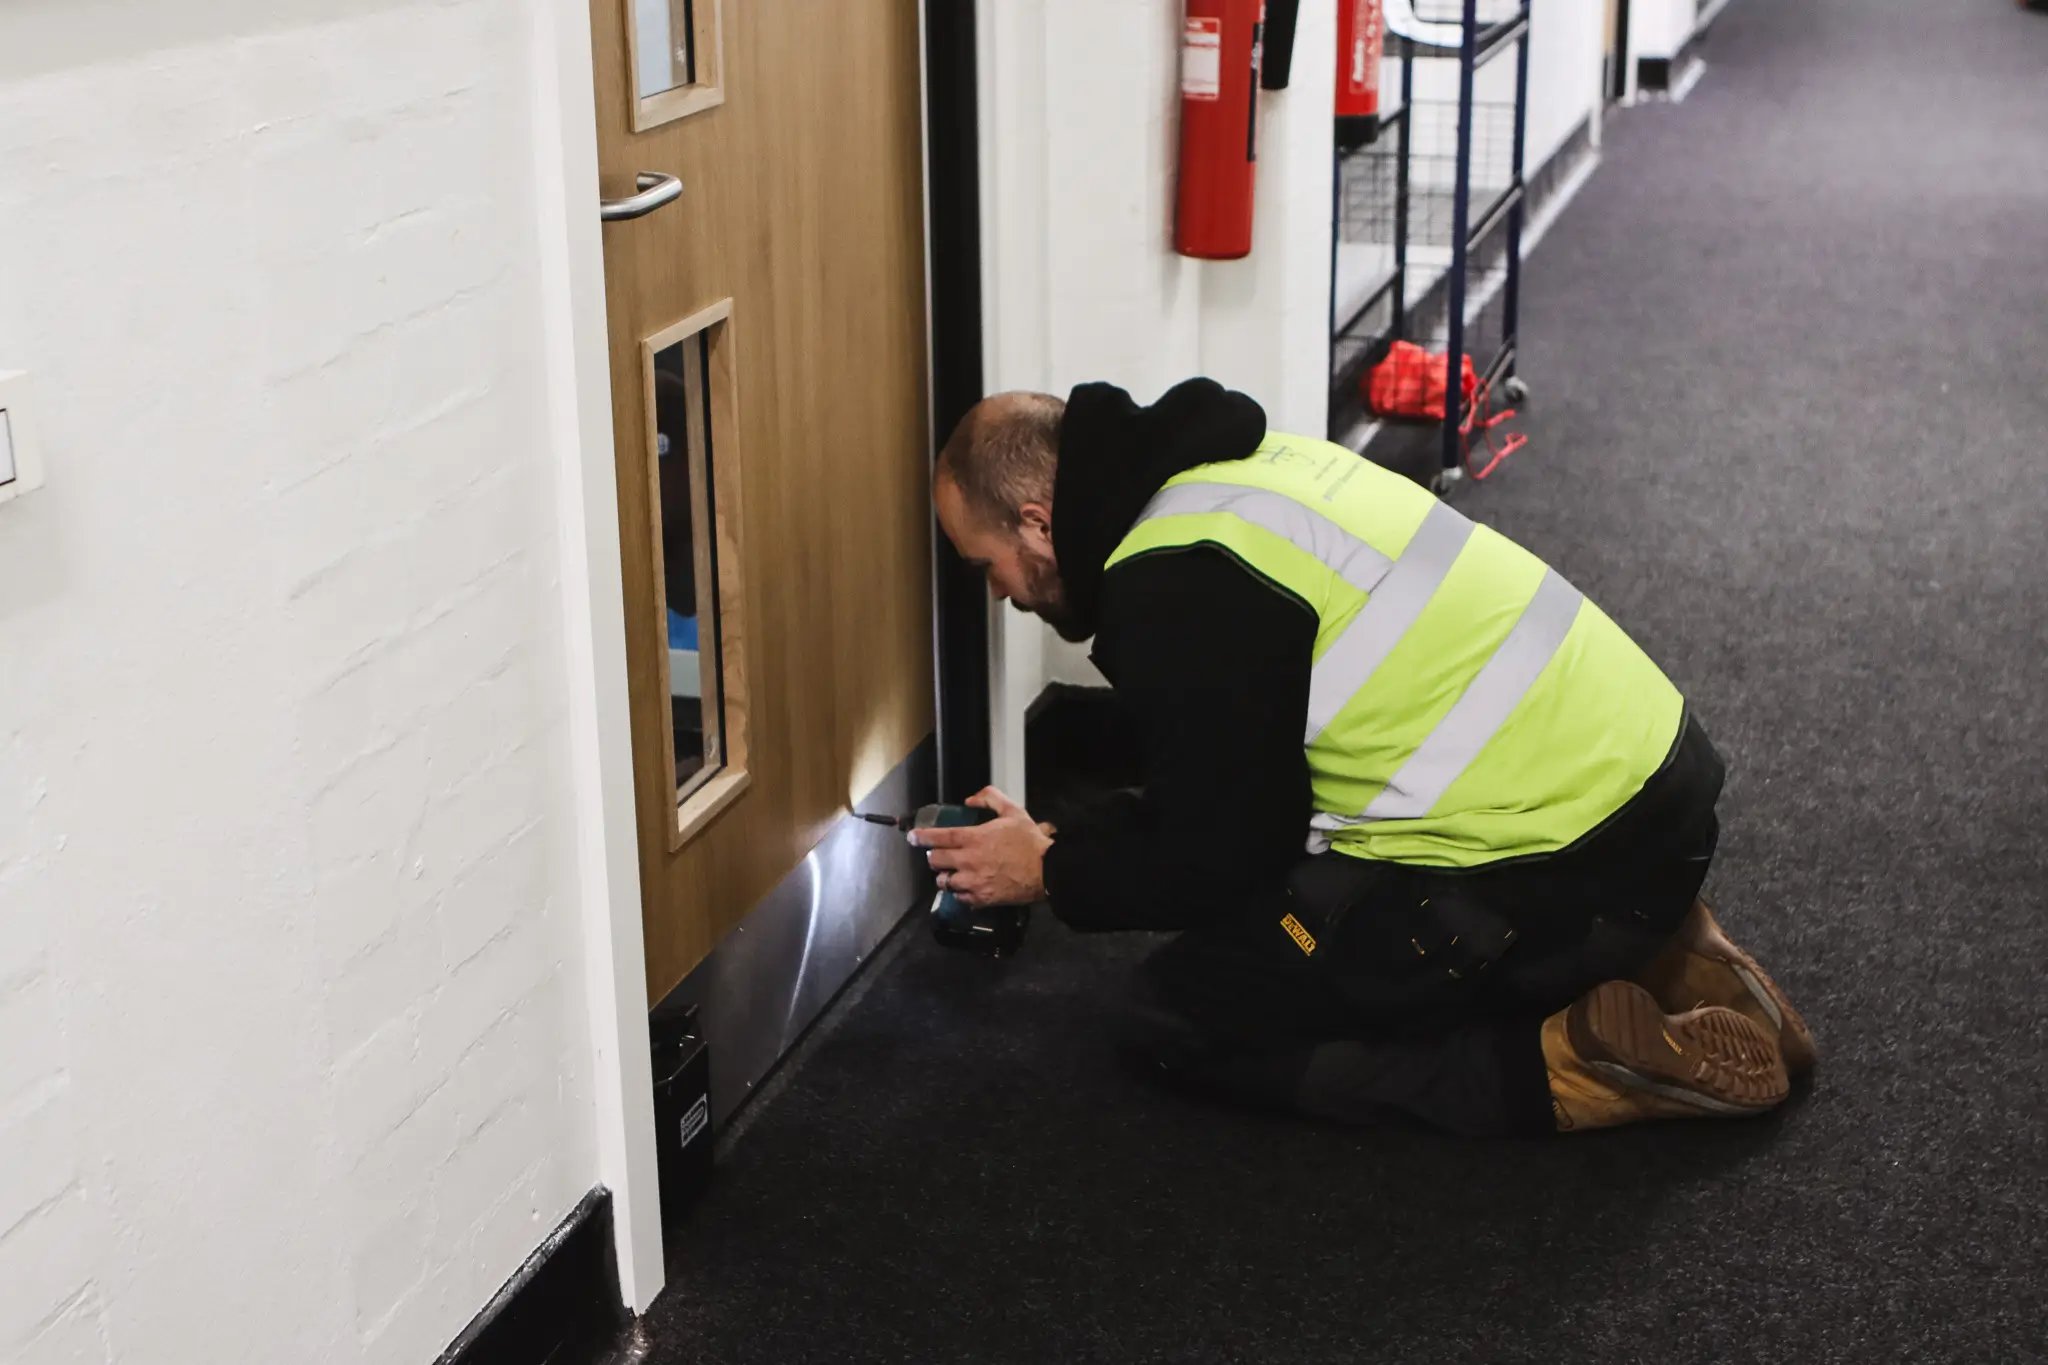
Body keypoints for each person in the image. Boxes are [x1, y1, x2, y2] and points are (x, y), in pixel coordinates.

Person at [913, 378, 1816, 1137]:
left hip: (1555, 870)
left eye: (983, 563)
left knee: (1181, 1012)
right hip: (1657, 797)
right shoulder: (1243, 475)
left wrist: (1053, 875)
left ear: (1036, 523)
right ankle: (1668, 947)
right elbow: (1222, 765)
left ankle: (1567, 1065)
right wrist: (1064, 834)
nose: (995, 593)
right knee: (1283, 902)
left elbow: (1225, 860)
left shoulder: (1171, 585)